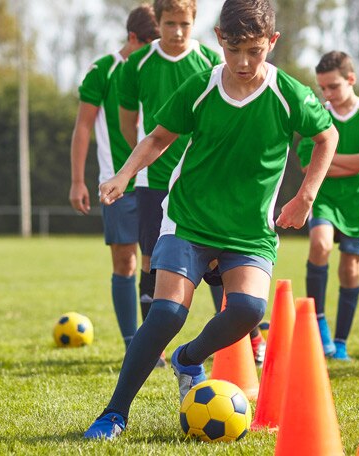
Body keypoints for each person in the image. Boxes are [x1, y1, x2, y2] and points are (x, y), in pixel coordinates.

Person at [83, 0, 338, 439]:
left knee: (248, 309)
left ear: (271, 43)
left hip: (248, 231)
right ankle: (113, 414)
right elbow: (159, 136)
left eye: (254, 51)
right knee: (164, 313)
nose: (242, 62)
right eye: (234, 48)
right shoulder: (201, 88)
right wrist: (123, 174)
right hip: (188, 220)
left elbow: (326, 136)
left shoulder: (288, 93)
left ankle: (188, 358)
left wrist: (305, 196)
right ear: (219, 38)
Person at [117, 0, 223, 367]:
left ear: (194, 22)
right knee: (151, 258)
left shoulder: (211, 62)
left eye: (185, 24)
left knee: (216, 254)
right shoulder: (137, 64)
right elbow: (128, 121)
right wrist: (138, 160)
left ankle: (239, 340)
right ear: (157, 22)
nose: (177, 32)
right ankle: (154, 347)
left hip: (200, 178)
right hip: (154, 178)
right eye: (169, 23)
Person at [69, 5, 159, 350]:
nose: (155, 49)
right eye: (149, 42)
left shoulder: (160, 67)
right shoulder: (103, 70)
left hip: (159, 180)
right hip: (117, 183)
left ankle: (155, 343)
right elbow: (82, 126)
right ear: (133, 38)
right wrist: (78, 180)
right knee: (125, 260)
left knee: (157, 262)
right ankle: (131, 342)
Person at [296, 51, 359, 361]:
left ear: (351, 80)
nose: (327, 94)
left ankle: (341, 343)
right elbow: (307, 165)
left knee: (350, 269)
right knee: (319, 244)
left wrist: (327, 160)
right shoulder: (319, 114)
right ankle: (318, 323)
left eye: (333, 87)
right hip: (325, 197)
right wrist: (356, 163)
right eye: (322, 88)